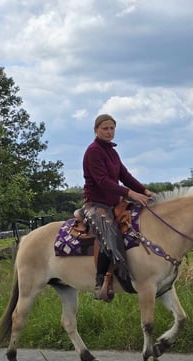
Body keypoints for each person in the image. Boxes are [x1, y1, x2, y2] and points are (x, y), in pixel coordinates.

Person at [82, 113, 156, 302]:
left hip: (114, 203)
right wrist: (130, 194)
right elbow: (103, 181)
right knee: (110, 233)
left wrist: (146, 191)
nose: (109, 132)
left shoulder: (111, 151)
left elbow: (125, 175)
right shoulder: (93, 151)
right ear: (96, 130)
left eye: (112, 128)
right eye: (105, 128)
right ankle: (100, 283)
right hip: (96, 204)